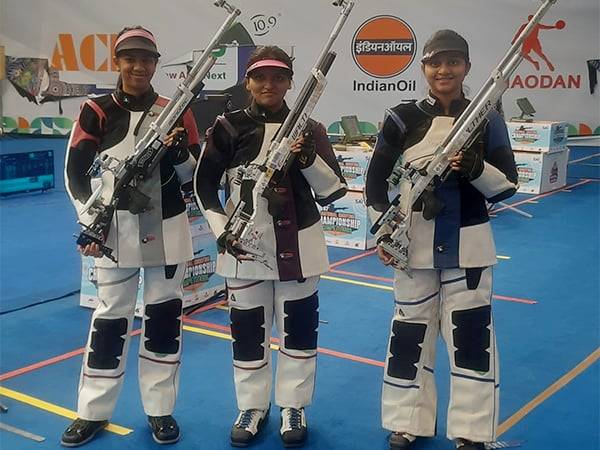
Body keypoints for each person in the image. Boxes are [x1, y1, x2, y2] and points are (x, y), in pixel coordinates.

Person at [365, 30, 518, 450]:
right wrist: (384, 231)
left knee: (470, 338)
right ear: (424, 69)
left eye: (453, 62)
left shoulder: (487, 117)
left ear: (466, 67)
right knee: (408, 335)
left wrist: (475, 167)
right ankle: (405, 420)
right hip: (411, 247)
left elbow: (507, 187)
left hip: (469, 245)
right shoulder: (401, 116)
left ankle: (471, 430)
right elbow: (375, 182)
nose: (444, 70)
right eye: (435, 62)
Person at [194, 46, 347, 448]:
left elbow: (333, 191)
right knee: (247, 332)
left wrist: (309, 159)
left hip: (301, 246)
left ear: (290, 82)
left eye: (279, 77)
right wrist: (220, 229)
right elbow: (203, 185)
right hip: (243, 247)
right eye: (260, 76)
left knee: (298, 331)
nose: (269, 85)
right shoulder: (227, 127)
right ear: (248, 81)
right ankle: (252, 406)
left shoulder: (309, 128)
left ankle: (293, 406)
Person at [62, 25, 201, 447]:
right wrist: (92, 222)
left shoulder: (176, 108)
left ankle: (160, 411)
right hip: (113, 233)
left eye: (147, 59)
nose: (138, 66)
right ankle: (93, 411)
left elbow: (193, 176)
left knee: (163, 321)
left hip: (169, 231)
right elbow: (75, 173)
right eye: (130, 58)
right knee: (108, 322)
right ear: (118, 62)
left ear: (156, 64)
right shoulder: (96, 109)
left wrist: (178, 153)